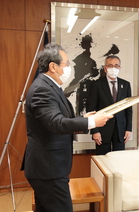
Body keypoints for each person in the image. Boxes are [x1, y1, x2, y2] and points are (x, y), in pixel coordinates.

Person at [21, 43, 112, 212]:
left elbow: (61, 119)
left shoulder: (50, 86)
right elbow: (56, 123)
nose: (69, 67)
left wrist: (84, 118)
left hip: (50, 167)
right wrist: (91, 123)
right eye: (67, 63)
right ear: (53, 66)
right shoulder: (42, 89)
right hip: (48, 169)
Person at [87, 55, 132, 155]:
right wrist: (95, 131)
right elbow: (91, 109)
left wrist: (129, 129)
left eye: (116, 65)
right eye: (110, 65)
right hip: (102, 130)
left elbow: (129, 109)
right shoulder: (96, 85)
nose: (113, 68)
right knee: (102, 160)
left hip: (121, 130)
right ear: (105, 68)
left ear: (120, 67)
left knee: (119, 160)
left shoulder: (126, 85)